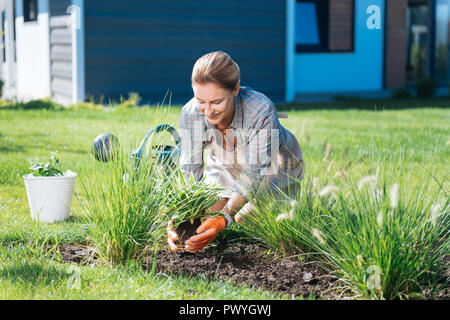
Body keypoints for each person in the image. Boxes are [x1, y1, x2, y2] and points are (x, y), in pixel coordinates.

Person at [167, 51, 304, 253]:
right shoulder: (191, 113)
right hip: (225, 161)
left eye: (216, 102)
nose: (208, 111)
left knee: (245, 224)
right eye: (201, 101)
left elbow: (252, 174)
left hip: (274, 165)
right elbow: (189, 169)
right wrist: (182, 217)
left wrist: (226, 216)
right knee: (203, 222)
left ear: (235, 89)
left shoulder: (260, 110)